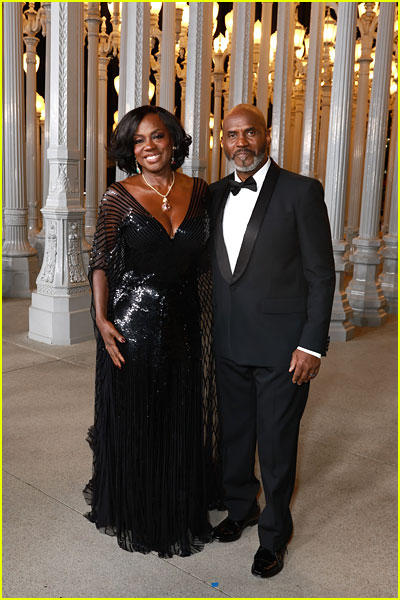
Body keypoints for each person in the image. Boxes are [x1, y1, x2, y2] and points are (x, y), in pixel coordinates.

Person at [83, 105, 222, 558]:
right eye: (139, 141)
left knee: (178, 410)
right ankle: (137, 505)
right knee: (139, 414)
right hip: (131, 324)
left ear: (173, 141)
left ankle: (177, 501)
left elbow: (214, 258)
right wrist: (102, 322)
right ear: (131, 150)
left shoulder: (200, 191)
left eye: (157, 137)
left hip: (184, 320)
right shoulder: (117, 196)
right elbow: (101, 263)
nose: (149, 147)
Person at [209, 104, 335, 578]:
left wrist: (312, 344)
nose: (241, 142)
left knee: (277, 444)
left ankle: (275, 534)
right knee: (236, 437)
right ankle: (241, 508)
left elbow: (321, 275)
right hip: (228, 341)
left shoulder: (302, 192)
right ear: (223, 141)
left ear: (267, 137)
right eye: (232, 134)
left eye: (250, 133)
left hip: (285, 351)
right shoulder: (215, 194)